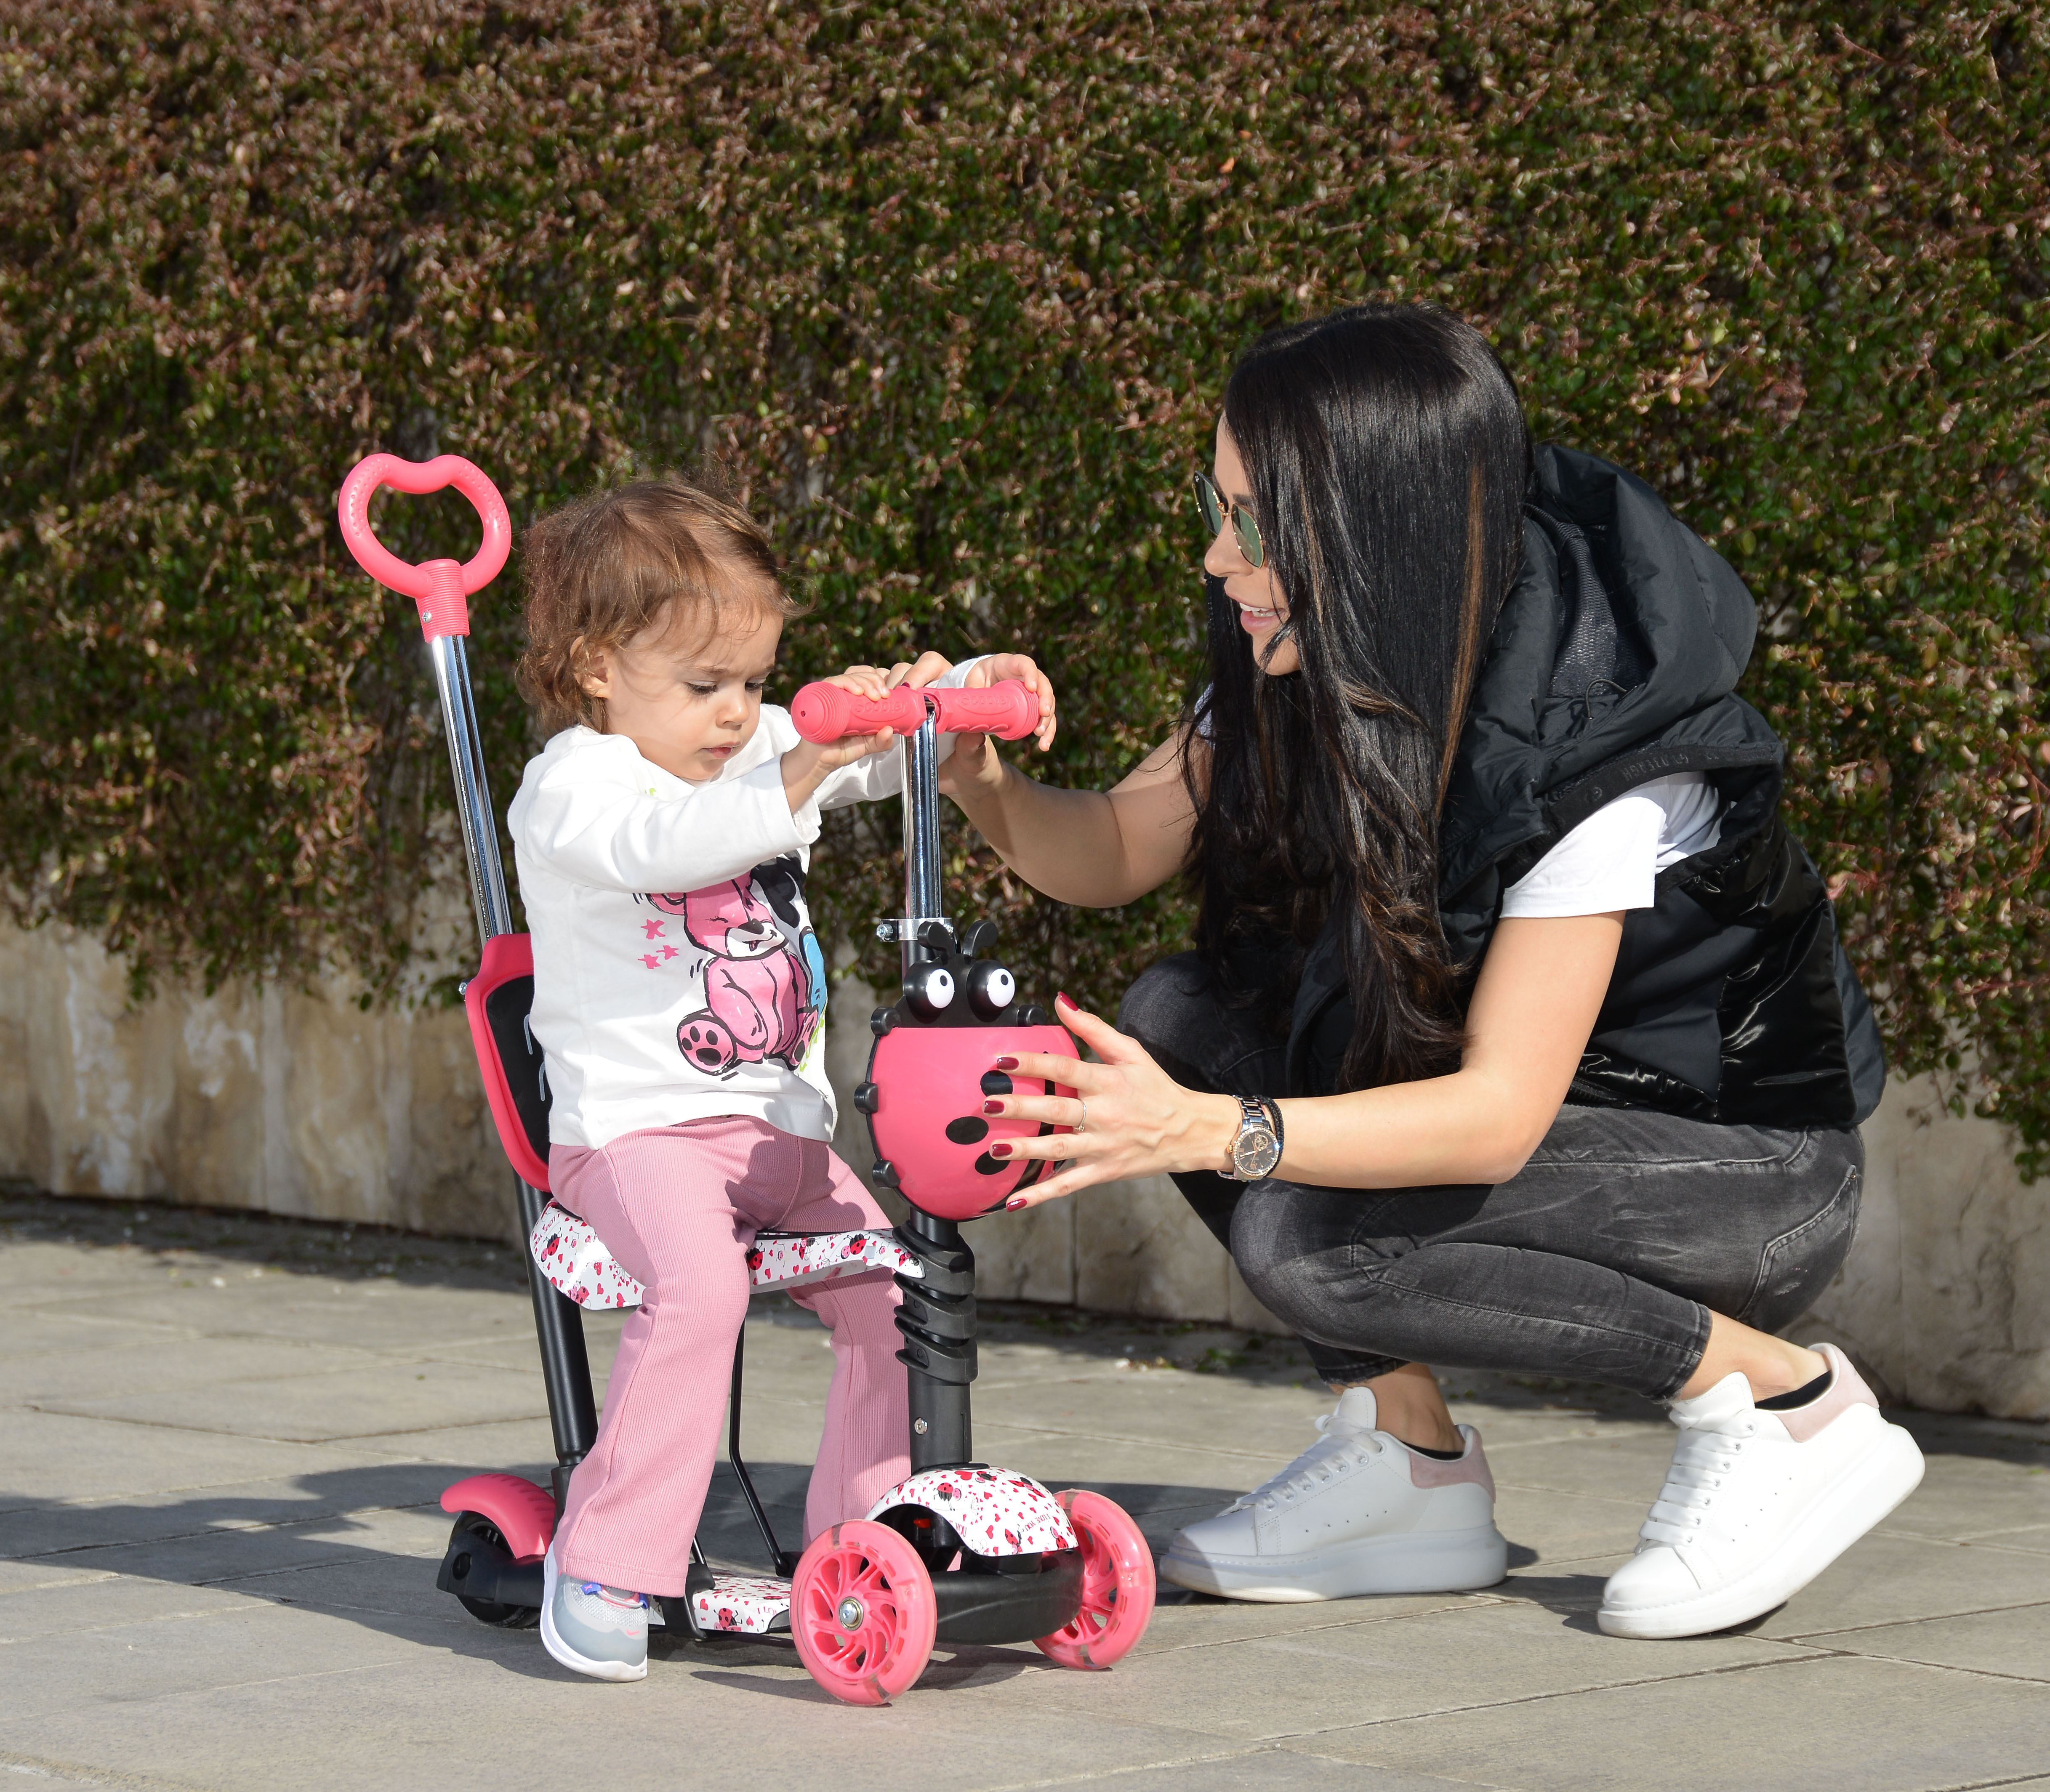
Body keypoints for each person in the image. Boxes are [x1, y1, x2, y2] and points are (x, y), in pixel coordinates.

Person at [938, 303, 1920, 1639]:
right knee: (1177, 1016)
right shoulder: (1336, 644)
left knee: (1301, 1224)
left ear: (1370, 525)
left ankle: (1788, 1403)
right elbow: (1115, 843)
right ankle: (1416, 1467)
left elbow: (1500, 1111)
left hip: (1744, 1176)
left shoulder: (1597, 744)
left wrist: (1215, 1131)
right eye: (1217, 506)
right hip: (1567, 1133)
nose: (1220, 555)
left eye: (1254, 522)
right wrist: (980, 780)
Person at [505, 474, 1054, 1680]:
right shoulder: (575, 786)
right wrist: (800, 760)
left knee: (895, 1295)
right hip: (638, 1140)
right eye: (703, 684)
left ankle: (863, 1550)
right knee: (698, 1291)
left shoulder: (755, 747)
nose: (734, 710)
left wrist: (958, 693)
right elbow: (675, 846)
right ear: (598, 666)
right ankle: (606, 1556)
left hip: (777, 1141)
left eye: (752, 681)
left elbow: (882, 757)